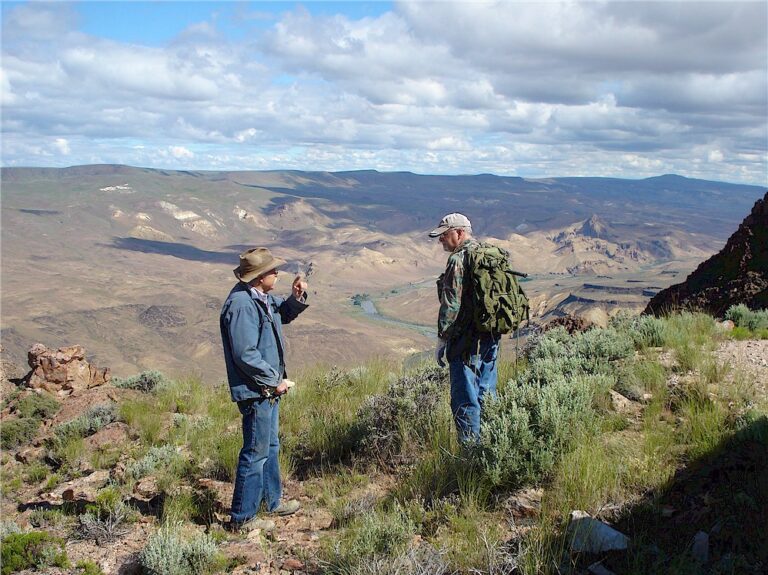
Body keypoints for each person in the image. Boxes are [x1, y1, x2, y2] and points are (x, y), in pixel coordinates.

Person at [220, 247, 308, 532]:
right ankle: (243, 518)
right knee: (255, 452)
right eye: (272, 271)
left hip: (268, 390)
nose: (277, 274)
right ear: (259, 277)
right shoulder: (242, 305)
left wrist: (295, 298)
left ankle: (272, 501)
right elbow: (245, 354)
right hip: (257, 390)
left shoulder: (261, 297)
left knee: (270, 446)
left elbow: (282, 313)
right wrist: (274, 379)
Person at [429, 213, 500, 443]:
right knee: (487, 395)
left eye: (444, 235)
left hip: (466, 344)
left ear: (459, 233)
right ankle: (495, 447)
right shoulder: (487, 254)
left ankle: (470, 459)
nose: (441, 241)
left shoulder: (458, 260)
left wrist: (442, 340)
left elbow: (451, 304)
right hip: (490, 338)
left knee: (465, 400)